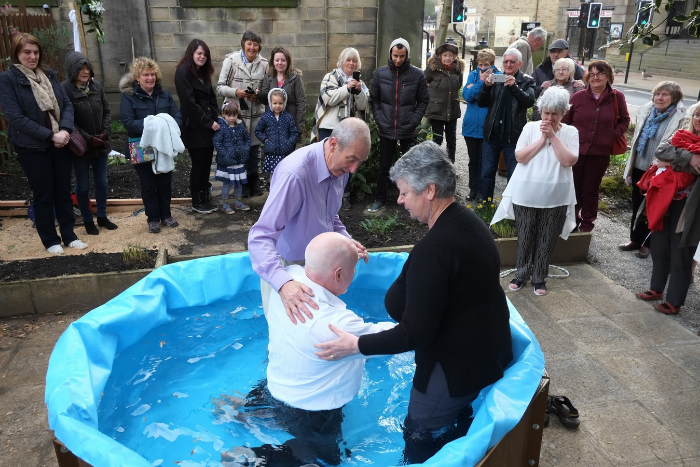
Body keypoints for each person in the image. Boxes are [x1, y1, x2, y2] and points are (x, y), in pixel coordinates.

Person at [315, 141, 513, 464]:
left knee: (418, 434)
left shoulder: (435, 250)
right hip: (486, 354)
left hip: (454, 369)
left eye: (405, 192)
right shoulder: (470, 224)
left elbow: (412, 334)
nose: (400, 199)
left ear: (430, 190)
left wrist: (356, 345)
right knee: (457, 425)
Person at [222, 232, 396, 466]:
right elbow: (397, 337)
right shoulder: (338, 323)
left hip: (274, 389)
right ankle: (256, 459)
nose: (354, 274)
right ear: (338, 273)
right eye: (353, 269)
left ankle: (238, 409)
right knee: (326, 460)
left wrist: (345, 247)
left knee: (275, 402)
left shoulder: (286, 282)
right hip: (312, 413)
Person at [248, 117, 370, 319]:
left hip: (321, 264)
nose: (354, 169)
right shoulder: (294, 174)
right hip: (286, 267)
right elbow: (260, 236)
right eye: (352, 159)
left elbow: (330, 214)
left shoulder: (342, 168)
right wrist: (284, 283)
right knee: (284, 343)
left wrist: (345, 241)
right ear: (333, 144)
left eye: (360, 161)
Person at [0, 33, 87, 254]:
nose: (32, 57)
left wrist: (65, 130)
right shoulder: (8, 80)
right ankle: (50, 240)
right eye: (27, 52)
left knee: (63, 191)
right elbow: (15, 118)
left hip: (60, 142)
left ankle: (69, 235)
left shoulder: (49, 74)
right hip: (32, 147)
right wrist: (51, 135)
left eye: (36, 52)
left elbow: (66, 104)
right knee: (43, 193)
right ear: (17, 54)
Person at [491, 87, 579, 296]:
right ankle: (521, 275)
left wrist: (553, 136)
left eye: (555, 114)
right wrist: (542, 139)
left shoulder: (571, 132)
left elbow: (568, 160)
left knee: (546, 238)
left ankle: (539, 278)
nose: (549, 117)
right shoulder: (530, 128)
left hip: (556, 196)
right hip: (526, 193)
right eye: (546, 113)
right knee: (525, 236)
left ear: (563, 113)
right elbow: (520, 156)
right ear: (541, 111)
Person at [635, 104, 700, 315]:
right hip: (665, 198)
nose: (698, 119)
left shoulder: (681, 140)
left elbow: (667, 158)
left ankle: (674, 302)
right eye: (697, 114)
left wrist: (673, 161)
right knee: (660, 244)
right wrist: (689, 158)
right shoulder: (683, 135)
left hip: (690, 205)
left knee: (681, 251)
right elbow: (661, 151)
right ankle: (656, 289)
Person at [619, 81, 687, 259]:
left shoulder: (679, 117)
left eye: (665, 95)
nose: (660, 98)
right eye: (657, 94)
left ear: (674, 98)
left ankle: (647, 244)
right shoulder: (647, 111)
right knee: (637, 205)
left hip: (660, 169)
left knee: (654, 208)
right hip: (640, 165)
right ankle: (635, 238)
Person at [561, 60, 630, 232]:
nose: (595, 77)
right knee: (574, 188)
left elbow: (625, 120)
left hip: (600, 153)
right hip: (576, 152)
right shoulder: (577, 97)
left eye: (600, 74)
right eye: (592, 74)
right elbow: (565, 121)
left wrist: (611, 136)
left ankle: (587, 223)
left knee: (591, 190)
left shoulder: (617, 97)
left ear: (608, 77)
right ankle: (572, 220)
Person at [119, 57, 182, 234]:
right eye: (145, 75)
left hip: (164, 147)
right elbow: (128, 123)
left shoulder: (165, 96)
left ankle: (166, 215)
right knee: (148, 185)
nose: (150, 78)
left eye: (153, 74)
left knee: (164, 183)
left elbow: (177, 118)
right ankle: (153, 219)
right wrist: (155, 125)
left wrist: (166, 124)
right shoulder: (129, 97)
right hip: (141, 147)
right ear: (137, 78)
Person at [369, 38, 430, 213]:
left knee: (410, 167)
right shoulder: (380, 74)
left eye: (402, 56)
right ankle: (380, 199)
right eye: (395, 55)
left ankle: (412, 200)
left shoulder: (417, 75)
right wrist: (380, 119)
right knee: (384, 166)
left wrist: (414, 120)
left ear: (407, 55)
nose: (398, 59)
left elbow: (423, 100)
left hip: (407, 128)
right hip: (386, 127)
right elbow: (375, 100)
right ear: (390, 53)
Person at [61, 50, 117, 235]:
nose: (85, 72)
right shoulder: (65, 90)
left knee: (102, 182)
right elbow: (69, 119)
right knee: (83, 186)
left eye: (87, 68)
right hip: (81, 148)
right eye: (80, 68)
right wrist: (88, 138)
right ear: (72, 70)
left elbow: (107, 111)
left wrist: (105, 133)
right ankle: (87, 220)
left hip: (100, 144)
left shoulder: (97, 87)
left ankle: (102, 216)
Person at [310, 47, 369, 211]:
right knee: (326, 162)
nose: (351, 63)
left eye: (354, 60)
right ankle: (321, 195)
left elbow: (364, 105)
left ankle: (344, 195)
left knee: (347, 162)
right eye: (348, 60)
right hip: (329, 127)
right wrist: (346, 88)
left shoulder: (359, 82)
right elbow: (328, 99)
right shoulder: (330, 77)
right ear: (342, 61)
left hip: (349, 130)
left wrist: (358, 92)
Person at [477, 48, 536, 201]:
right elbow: (481, 103)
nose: (508, 65)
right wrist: (486, 86)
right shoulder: (496, 79)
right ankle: (486, 205)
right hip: (492, 134)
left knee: (514, 174)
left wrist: (514, 87)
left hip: (513, 136)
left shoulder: (527, 80)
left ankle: (510, 208)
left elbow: (529, 101)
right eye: (505, 61)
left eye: (512, 62)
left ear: (520, 64)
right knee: (487, 172)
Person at [217, 30, 268, 198]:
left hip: (256, 114)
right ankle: (242, 184)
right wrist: (235, 92)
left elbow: (267, 90)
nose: (252, 47)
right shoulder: (231, 61)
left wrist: (258, 95)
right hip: (236, 116)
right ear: (243, 44)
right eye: (249, 44)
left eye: (255, 44)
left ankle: (254, 182)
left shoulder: (265, 64)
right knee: (240, 150)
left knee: (254, 150)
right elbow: (220, 87)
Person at [174, 38, 220, 214]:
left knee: (207, 163)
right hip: (194, 127)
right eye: (199, 53)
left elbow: (212, 98)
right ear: (191, 53)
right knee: (198, 163)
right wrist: (208, 122)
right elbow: (189, 103)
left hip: (208, 126)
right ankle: (197, 201)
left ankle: (205, 197)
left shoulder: (204, 73)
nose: (202, 57)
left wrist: (215, 118)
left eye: (205, 54)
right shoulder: (183, 72)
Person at [462, 48, 498, 201]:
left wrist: (475, 87)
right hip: (470, 126)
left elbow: (493, 99)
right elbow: (467, 95)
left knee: (486, 162)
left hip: (486, 126)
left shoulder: (498, 77)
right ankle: (473, 189)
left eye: (486, 65)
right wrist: (481, 82)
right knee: (473, 161)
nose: (483, 68)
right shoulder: (473, 75)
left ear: (492, 64)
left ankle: (483, 191)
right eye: (481, 64)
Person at [424, 41, 465, 163]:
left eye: (450, 55)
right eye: (445, 55)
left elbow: (459, 86)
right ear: (440, 56)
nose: (448, 58)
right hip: (436, 110)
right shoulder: (433, 68)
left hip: (452, 109)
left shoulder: (458, 69)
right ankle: (434, 166)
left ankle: (450, 165)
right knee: (437, 140)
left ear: (454, 57)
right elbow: (422, 83)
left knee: (451, 140)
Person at [257, 46, 305, 143]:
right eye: (277, 60)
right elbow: (266, 100)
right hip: (272, 126)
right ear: (273, 62)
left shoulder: (295, 78)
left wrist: (299, 128)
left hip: (290, 125)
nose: (279, 63)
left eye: (283, 60)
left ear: (288, 61)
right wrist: (258, 94)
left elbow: (301, 103)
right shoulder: (268, 77)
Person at [214, 102, 250, 214]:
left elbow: (247, 139)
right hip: (227, 162)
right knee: (227, 183)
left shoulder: (240, 126)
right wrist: (225, 153)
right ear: (223, 114)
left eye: (234, 115)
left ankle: (238, 202)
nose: (232, 118)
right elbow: (217, 142)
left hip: (239, 161)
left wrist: (245, 149)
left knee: (239, 183)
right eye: (229, 115)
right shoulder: (221, 127)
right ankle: (225, 204)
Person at [254, 88, 298, 174]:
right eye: (275, 103)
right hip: (271, 153)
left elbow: (294, 133)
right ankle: (273, 187)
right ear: (270, 103)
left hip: (285, 153)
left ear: (284, 103)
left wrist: (289, 143)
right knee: (273, 176)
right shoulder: (266, 117)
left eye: (280, 103)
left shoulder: (288, 117)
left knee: (285, 174)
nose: (277, 106)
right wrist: (265, 140)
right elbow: (258, 131)